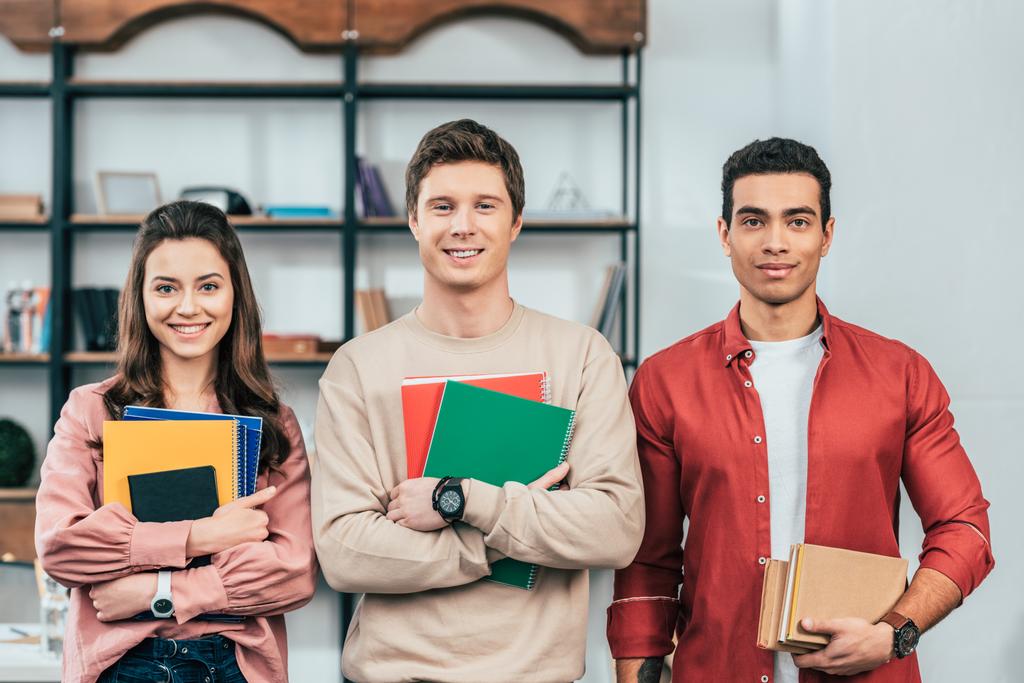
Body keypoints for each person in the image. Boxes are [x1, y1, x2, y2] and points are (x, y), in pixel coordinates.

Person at [609, 138, 994, 682]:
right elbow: (648, 560)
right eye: (752, 221)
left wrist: (895, 633)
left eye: (797, 221)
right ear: (724, 235)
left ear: (826, 235)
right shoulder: (664, 381)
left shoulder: (900, 374)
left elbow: (964, 528)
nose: (774, 242)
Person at [311, 118, 645, 682]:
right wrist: (500, 543)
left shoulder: (582, 355)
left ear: (516, 222)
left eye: (484, 206)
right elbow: (345, 552)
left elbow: (614, 528)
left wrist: (463, 500)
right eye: (442, 207)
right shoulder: (358, 367)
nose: (462, 226)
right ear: (413, 220)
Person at [35, 201, 318, 683]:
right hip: (119, 663)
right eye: (166, 288)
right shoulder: (91, 409)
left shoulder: (273, 422)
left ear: (235, 295)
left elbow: (292, 575)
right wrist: (200, 537)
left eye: (208, 286)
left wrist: (156, 590)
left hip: (235, 664)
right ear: (140, 298)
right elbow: (62, 548)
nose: (188, 307)